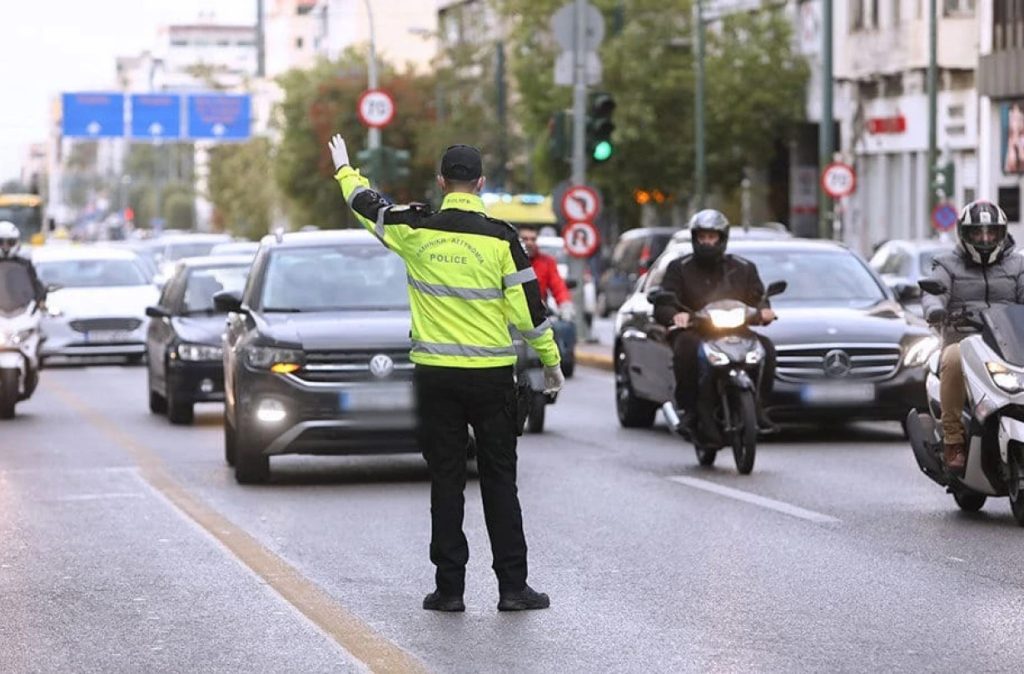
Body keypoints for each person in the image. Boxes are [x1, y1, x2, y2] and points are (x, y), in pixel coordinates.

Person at [329, 135, 563, 613]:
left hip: (436, 378)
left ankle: (450, 590)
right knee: (500, 481)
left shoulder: (416, 229)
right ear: (480, 183)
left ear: (441, 182)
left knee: (446, 481)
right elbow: (529, 315)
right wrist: (552, 363)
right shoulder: (502, 239)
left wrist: (345, 170)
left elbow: (365, 205)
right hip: (492, 377)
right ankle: (513, 589)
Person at [652, 210, 777, 445]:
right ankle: (689, 410)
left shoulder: (743, 267)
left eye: (713, 237)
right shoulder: (680, 268)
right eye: (703, 237)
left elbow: (758, 297)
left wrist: (764, 310)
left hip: (736, 329)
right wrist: (675, 315)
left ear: (722, 238)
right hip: (697, 330)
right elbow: (663, 301)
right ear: (695, 238)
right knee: (685, 349)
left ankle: (760, 407)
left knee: (767, 348)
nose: (708, 242)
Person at [921, 200, 1024, 474]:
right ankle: (954, 440)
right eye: (977, 233)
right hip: (964, 339)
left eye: (991, 232)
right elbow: (934, 292)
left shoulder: (1018, 264)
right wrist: (935, 310)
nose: (985, 238)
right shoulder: (946, 263)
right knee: (952, 359)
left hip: (1008, 342)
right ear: (964, 234)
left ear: (1002, 233)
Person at [517, 224, 574, 321]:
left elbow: (558, 286)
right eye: (525, 239)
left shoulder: (547, 262)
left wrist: (565, 306)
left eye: (533, 239)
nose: (529, 243)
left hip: (538, 314)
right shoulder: (508, 261)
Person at [0, 220, 46, 305]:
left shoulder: (24, 264)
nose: (5, 247)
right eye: (1, 242)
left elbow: (35, 284)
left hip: (19, 309)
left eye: (10, 242)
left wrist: (41, 300)